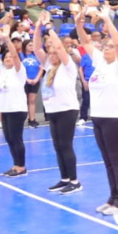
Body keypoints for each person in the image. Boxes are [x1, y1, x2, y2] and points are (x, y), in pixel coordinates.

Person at [75, 8, 118, 215]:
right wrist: (78, 23)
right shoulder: (99, 62)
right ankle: (113, 197)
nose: (106, 48)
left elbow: (117, 42)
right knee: (107, 160)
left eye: (109, 47)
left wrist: (107, 18)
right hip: (98, 118)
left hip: (116, 119)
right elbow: (85, 42)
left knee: (117, 160)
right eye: (104, 46)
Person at [33, 13, 82, 194]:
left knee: (66, 145)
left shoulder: (67, 66)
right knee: (57, 146)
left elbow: (60, 47)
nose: (52, 55)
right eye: (50, 53)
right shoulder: (48, 66)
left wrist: (49, 28)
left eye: (55, 53)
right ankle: (65, 178)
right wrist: (37, 27)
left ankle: (75, 181)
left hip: (67, 110)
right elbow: (37, 48)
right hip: (52, 110)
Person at [0, 47, 28, 177]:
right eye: (5, 57)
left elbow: (15, 55)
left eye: (10, 57)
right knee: (9, 139)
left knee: (16, 138)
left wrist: (7, 38)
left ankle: (21, 167)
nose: (8, 58)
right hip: (5, 109)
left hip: (16, 109)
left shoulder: (19, 70)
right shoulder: (2, 70)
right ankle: (16, 164)